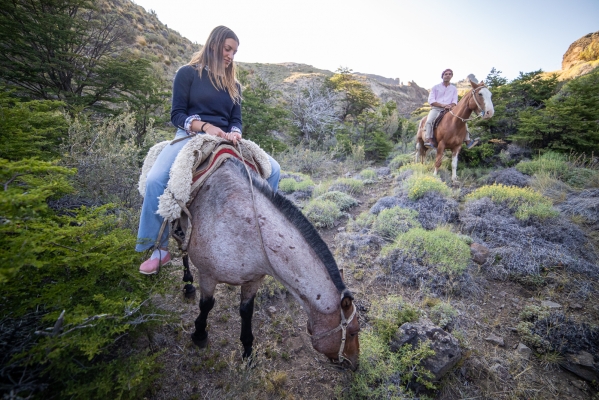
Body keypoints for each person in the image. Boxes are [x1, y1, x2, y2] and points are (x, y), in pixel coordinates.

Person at [137, 26, 281, 275]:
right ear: (214, 45)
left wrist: (235, 132)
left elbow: (236, 118)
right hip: (190, 135)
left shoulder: (233, 84)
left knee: (275, 170)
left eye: (234, 51)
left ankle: (263, 230)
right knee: (155, 179)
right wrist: (204, 126)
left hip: (225, 139)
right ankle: (158, 247)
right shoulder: (187, 74)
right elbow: (177, 114)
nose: (231, 56)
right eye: (228, 49)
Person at [423, 68, 479, 149]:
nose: (447, 75)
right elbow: (431, 100)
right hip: (436, 108)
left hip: (450, 110)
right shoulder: (435, 87)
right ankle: (429, 140)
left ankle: (468, 141)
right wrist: (443, 105)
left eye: (449, 74)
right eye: (446, 74)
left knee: (462, 120)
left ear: (451, 76)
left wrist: (451, 105)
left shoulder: (453, 88)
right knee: (429, 121)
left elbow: (454, 101)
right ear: (442, 76)